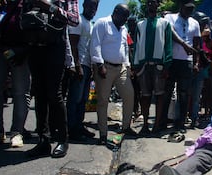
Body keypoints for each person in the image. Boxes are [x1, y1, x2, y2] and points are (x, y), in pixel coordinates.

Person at [25, 0, 79, 158]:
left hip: (55, 47)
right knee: (39, 94)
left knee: (55, 94)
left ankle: (63, 140)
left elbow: (74, 20)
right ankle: (43, 141)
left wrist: (51, 7)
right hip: (34, 45)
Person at [90, 3, 136, 144]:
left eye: (127, 18)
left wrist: (127, 66)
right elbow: (95, 44)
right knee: (103, 101)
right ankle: (103, 135)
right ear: (116, 12)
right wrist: (99, 64)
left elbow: (125, 49)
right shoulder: (102, 23)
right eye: (124, 16)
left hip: (121, 68)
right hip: (105, 68)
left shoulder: (123, 29)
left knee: (129, 95)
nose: (125, 20)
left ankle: (126, 126)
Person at [132, 0, 173, 134]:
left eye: (154, 2)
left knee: (160, 94)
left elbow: (168, 45)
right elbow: (136, 45)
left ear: (157, 5)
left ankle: (156, 124)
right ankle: (144, 124)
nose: (151, 5)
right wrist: (135, 64)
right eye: (149, 2)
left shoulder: (164, 23)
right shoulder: (140, 24)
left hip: (159, 65)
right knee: (145, 95)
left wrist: (167, 64)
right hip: (144, 65)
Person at [163, 0, 201, 133]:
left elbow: (196, 45)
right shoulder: (170, 17)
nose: (189, 11)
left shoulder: (195, 23)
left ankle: (180, 123)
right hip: (172, 61)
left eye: (191, 9)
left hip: (187, 62)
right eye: (187, 8)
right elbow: (170, 32)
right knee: (167, 91)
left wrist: (196, 63)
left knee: (184, 94)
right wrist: (184, 44)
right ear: (181, 7)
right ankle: (162, 122)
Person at [66, 0, 99, 141]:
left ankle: (79, 126)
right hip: (79, 65)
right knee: (75, 98)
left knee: (83, 99)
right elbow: (73, 44)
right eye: (91, 5)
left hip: (87, 66)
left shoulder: (90, 24)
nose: (93, 9)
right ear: (84, 5)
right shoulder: (78, 20)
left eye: (95, 7)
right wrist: (77, 65)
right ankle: (71, 129)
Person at [189, 11, 211, 128]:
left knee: (196, 96)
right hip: (189, 67)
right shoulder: (191, 33)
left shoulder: (204, 36)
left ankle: (194, 119)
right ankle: (185, 118)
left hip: (200, 69)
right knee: (187, 95)